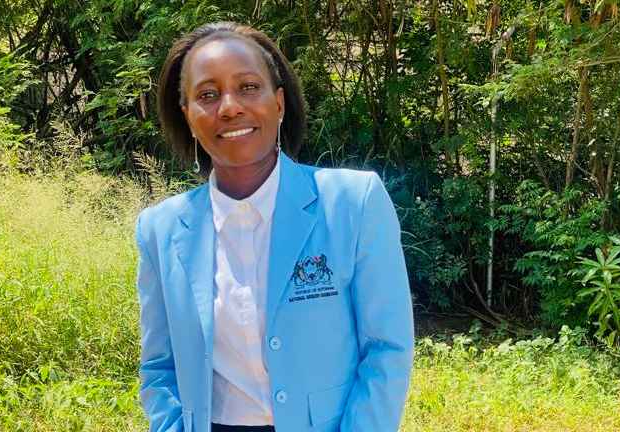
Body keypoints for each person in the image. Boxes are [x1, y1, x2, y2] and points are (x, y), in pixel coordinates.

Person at [134, 21, 414, 432]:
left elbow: (387, 348)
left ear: (279, 104)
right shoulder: (160, 230)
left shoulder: (352, 204)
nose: (229, 107)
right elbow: (159, 367)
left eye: (248, 87)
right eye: (207, 95)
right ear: (188, 116)